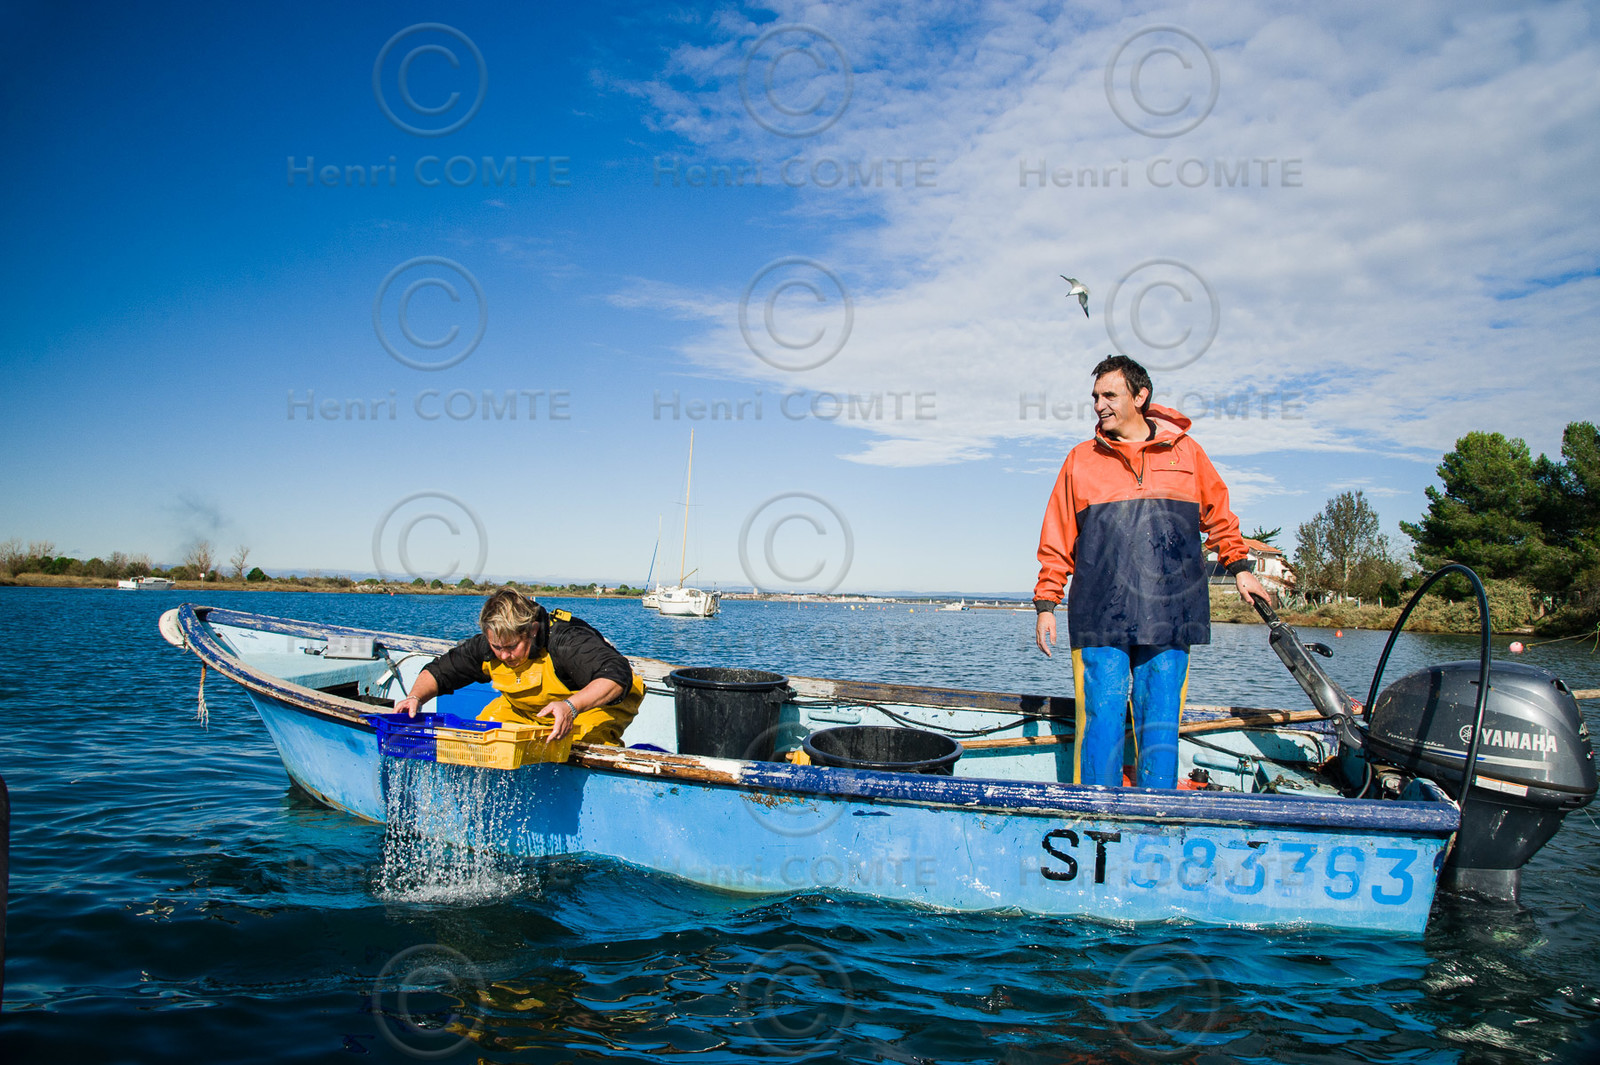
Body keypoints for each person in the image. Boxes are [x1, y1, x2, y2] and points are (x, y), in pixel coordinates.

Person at [1033, 355, 1269, 788]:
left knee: (1159, 722)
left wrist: (1239, 567)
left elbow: (1219, 515)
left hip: (1173, 611)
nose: (1099, 405)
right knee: (1101, 718)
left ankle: (1157, 814)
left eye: (1110, 395)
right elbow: (1057, 534)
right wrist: (1047, 602)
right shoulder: (1079, 460)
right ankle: (1095, 815)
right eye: (1095, 397)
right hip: (1100, 614)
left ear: (1140, 396)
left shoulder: (1187, 453)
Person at [394, 588, 643, 745]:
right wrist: (414, 697)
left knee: (578, 744)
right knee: (483, 736)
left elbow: (616, 675)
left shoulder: (566, 640)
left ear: (533, 631)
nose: (504, 655)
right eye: (496, 647)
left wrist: (570, 706)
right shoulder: (486, 646)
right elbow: (440, 671)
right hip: (528, 711)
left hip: (591, 707)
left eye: (511, 647)